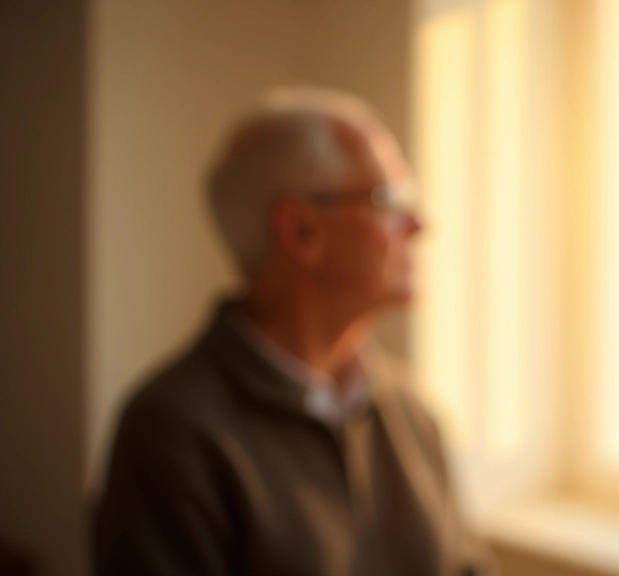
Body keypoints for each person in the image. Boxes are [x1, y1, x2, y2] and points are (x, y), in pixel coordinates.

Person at [93, 88, 496, 576]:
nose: (418, 224)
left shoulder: (410, 411)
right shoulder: (170, 435)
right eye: (390, 198)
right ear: (302, 230)